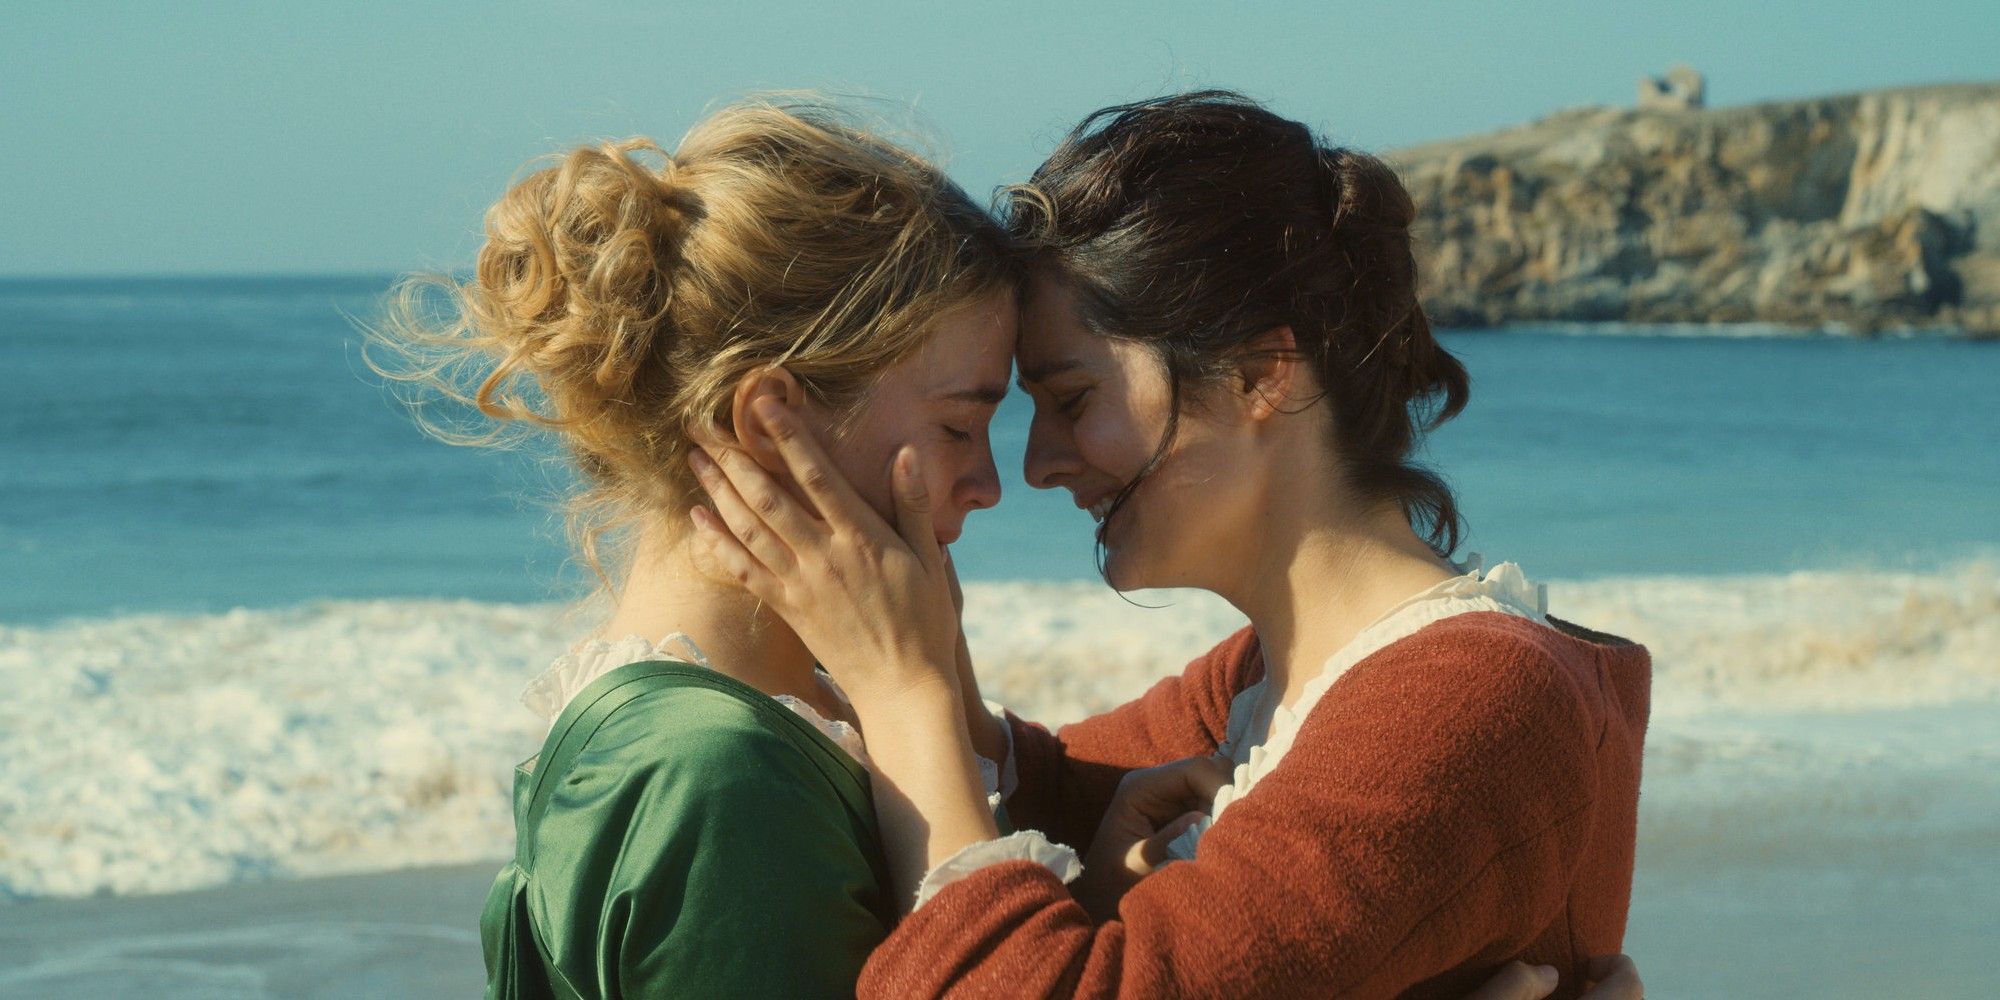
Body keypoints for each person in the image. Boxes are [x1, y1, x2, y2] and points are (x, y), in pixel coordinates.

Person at [689, 91, 1652, 999]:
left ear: (1256, 375)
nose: (1037, 465)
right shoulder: (1257, 684)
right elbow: (1052, 788)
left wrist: (905, 689)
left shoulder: (1465, 700)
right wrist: (923, 649)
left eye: (1071, 402)